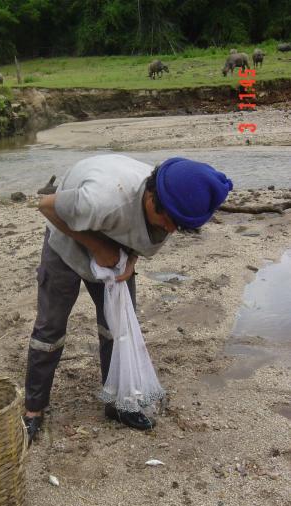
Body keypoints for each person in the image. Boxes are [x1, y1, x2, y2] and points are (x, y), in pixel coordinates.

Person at [24, 154, 233, 443]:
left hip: (115, 245)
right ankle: (34, 409)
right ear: (150, 199)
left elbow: (143, 237)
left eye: (178, 227)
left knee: (118, 328)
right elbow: (45, 205)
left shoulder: (175, 204)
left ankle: (118, 405)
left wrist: (130, 260)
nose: (170, 230)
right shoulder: (100, 200)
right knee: (50, 329)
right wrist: (97, 246)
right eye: (168, 222)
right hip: (66, 239)